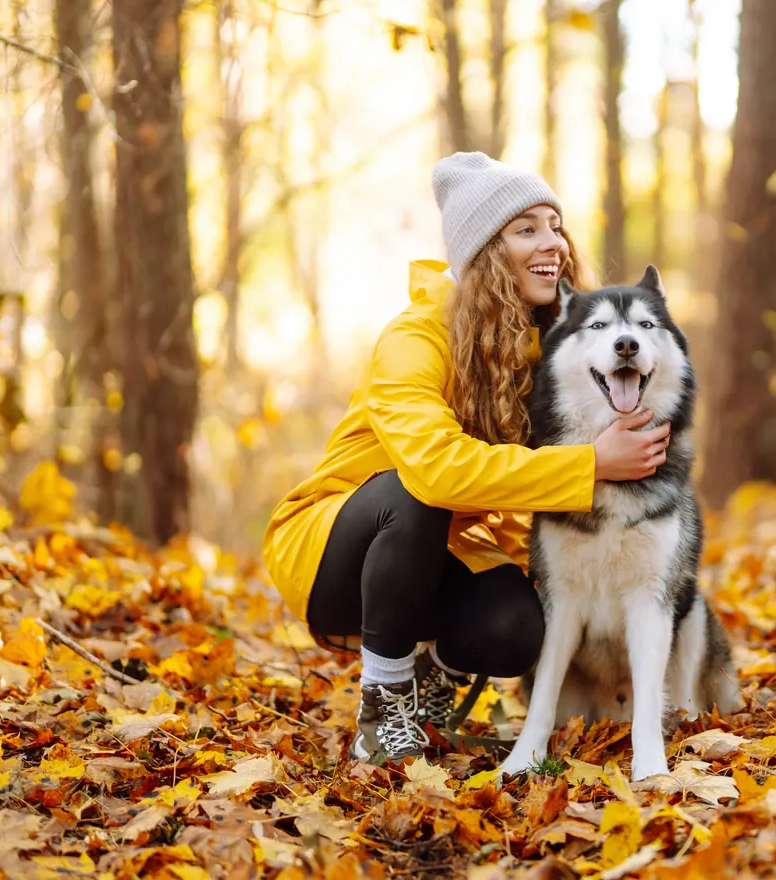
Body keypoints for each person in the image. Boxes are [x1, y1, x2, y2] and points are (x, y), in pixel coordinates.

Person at [261, 152, 671, 765]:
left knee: (518, 626)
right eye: (526, 228)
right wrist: (591, 465)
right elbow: (438, 472)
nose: (553, 242)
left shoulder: (548, 353)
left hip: (443, 549)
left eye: (554, 224)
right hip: (333, 552)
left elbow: (519, 498)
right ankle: (384, 702)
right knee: (418, 492)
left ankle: (430, 674)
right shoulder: (414, 338)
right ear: (483, 254)